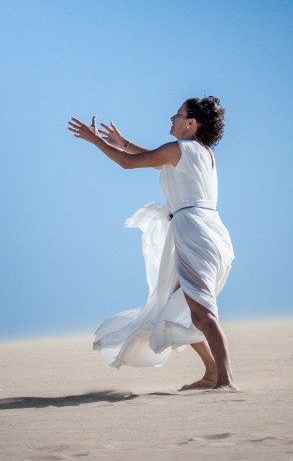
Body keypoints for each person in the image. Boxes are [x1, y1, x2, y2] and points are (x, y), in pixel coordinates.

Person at [67, 96, 237, 391]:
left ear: (191, 123)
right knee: (178, 307)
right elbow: (156, 159)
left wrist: (95, 140)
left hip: (195, 233)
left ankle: (226, 380)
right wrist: (123, 141)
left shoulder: (180, 149)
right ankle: (212, 373)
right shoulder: (201, 152)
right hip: (206, 230)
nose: (172, 117)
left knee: (203, 312)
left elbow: (128, 164)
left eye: (179, 114)